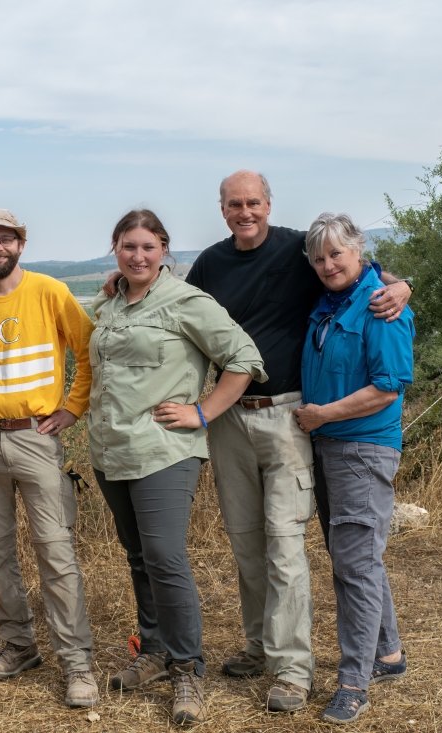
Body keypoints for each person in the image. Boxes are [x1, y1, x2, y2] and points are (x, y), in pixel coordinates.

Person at [183, 171, 413, 712]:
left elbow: (362, 271)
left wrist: (404, 285)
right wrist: (118, 286)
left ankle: (294, 670)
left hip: (291, 418)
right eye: (235, 204)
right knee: (248, 542)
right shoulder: (212, 264)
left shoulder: (299, 249)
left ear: (268, 203)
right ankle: (261, 646)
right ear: (223, 209)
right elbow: (176, 306)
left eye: (254, 202)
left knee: (288, 545)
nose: (246, 212)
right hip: (231, 418)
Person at [89, 210, 266, 725]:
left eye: (148, 246)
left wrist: (203, 412)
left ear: (164, 249)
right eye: (128, 247)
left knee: (166, 556)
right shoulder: (109, 302)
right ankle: (155, 651)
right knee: (140, 557)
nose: (138, 256)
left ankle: (188, 667)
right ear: (115, 249)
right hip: (111, 450)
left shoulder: (187, 302)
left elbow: (244, 358)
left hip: (165, 451)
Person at [0, 208, 99, 709]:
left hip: (36, 436)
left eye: (5, 239)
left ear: (20, 244)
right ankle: (19, 645)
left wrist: (73, 408)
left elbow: (87, 348)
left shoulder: (50, 292)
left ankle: (77, 663)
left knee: (55, 550)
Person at [292, 213, 413, 724]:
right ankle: (387, 654)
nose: (327, 265)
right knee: (354, 557)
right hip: (329, 450)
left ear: (357, 251)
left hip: (362, 449)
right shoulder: (329, 300)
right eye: (318, 258)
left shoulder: (381, 306)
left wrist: (323, 415)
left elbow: (388, 386)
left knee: (355, 566)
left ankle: (353, 683)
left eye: (336, 254)